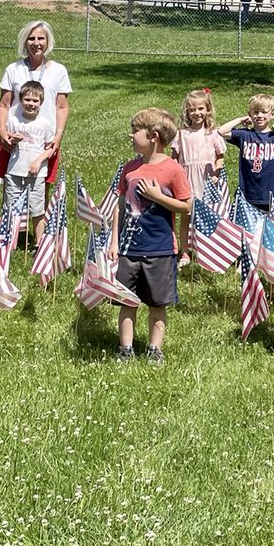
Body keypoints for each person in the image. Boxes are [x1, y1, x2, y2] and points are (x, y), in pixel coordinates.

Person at [108, 108, 192, 365]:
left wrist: (158, 198)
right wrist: (114, 242)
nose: (131, 135)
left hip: (160, 249)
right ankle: (126, 348)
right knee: (127, 301)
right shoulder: (130, 168)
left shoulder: (172, 169)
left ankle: (154, 349)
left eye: (135, 131)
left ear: (153, 136)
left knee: (157, 304)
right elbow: (120, 205)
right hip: (129, 248)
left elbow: (186, 206)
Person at [0, 21, 71, 192]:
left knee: (40, 192)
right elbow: (3, 105)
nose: (36, 43)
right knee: (12, 192)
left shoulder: (59, 71)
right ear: (25, 42)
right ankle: (12, 220)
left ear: (48, 41)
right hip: (15, 140)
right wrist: (2, 132)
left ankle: (39, 219)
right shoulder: (13, 69)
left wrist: (58, 136)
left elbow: (62, 107)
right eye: (31, 38)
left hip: (44, 141)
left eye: (40, 38)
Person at [171, 88, 226, 267]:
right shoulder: (181, 133)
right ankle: (185, 252)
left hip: (206, 180)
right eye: (192, 109)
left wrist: (216, 172)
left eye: (200, 109)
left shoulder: (212, 133)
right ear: (187, 111)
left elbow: (220, 156)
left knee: (206, 216)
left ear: (208, 110)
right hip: (186, 179)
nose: (196, 113)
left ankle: (205, 250)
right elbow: (174, 157)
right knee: (186, 216)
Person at [219, 94, 274, 212]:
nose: (259, 116)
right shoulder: (244, 135)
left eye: (264, 112)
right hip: (248, 193)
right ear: (250, 114)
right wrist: (239, 120)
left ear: (272, 114)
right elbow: (221, 131)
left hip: (270, 194)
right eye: (256, 112)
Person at [3, 81, 57, 247]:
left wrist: (38, 161)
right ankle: (9, 242)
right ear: (20, 100)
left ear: (41, 103)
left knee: (37, 210)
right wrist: (12, 139)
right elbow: (7, 142)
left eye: (35, 101)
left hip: (36, 174)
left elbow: (51, 148)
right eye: (27, 100)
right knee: (11, 208)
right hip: (14, 171)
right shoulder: (13, 120)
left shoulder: (45, 124)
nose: (31, 104)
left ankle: (39, 243)